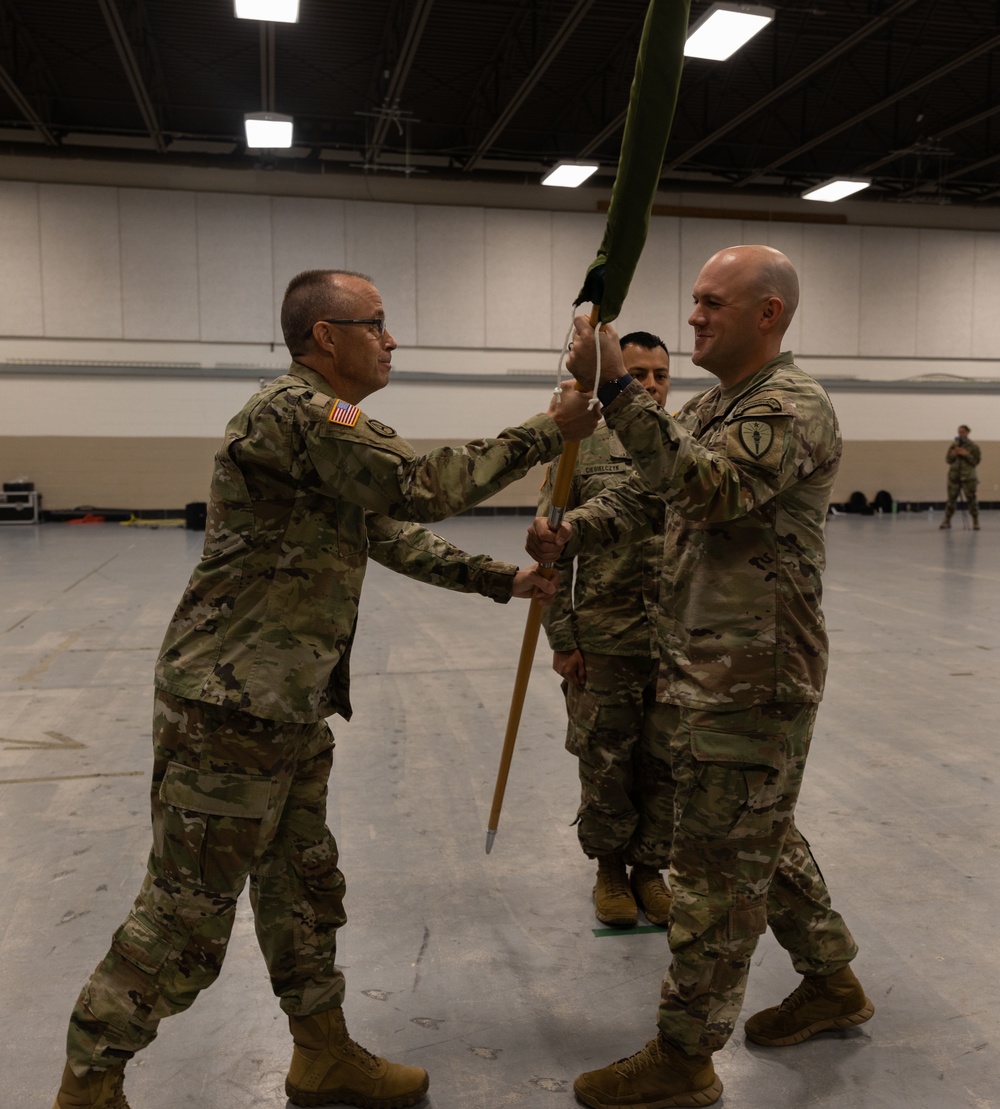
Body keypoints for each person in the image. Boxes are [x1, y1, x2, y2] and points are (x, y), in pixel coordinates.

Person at [51, 268, 599, 1109]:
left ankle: (322, 1053)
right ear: (324, 337)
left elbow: (386, 530)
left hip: (288, 706)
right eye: (375, 323)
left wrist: (504, 581)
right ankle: (89, 1081)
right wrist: (544, 430)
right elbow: (417, 488)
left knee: (302, 885)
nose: (390, 339)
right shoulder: (300, 412)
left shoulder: (327, 429)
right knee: (187, 916)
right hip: (229, 711)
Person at [527, 246, 873, 1109]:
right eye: (694, 301)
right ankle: (832, 978)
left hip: (754, 677)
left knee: (714, 873)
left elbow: (711, 489)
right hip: (706, 671)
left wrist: (614, 388)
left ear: (770, 314)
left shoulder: (791, 406)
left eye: (713, 303)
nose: (694, 317)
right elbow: (653, 495)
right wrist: (576, 531)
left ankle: (684, 1058)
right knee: (760, 836)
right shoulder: (721, 401)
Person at [538, 332, 672, 929]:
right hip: (605, 637)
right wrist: (563, 639)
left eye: (659, 376)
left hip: (675, 642)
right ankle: (610, 869)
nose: (648, 384)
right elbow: (550, 552)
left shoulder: (684, 450)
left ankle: (651, 868)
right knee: (606, 761)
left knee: (666, 761)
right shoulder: (580, 448)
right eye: (636, 372)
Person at [940, 424, 981, 529]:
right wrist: (952, 455)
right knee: (951, 500)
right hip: (954, 477)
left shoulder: (973, 446)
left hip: (968, 478)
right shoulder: (954, 445)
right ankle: (947, 520)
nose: (961, 434)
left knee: (971, 499)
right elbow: (948, 460)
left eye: (963, 432)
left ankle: (975, 521)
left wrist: (966, 454)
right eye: (959, 432)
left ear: (967, 433)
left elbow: (976, 461)